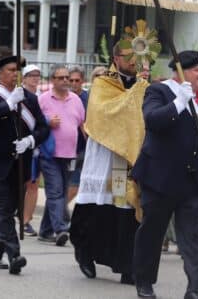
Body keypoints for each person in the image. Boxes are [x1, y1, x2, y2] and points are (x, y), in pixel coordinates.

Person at [132, 50, 198, 299]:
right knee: (152, 233)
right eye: (197, 70)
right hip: (161, 178)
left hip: (194, 181)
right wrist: (178, 103)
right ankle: (144, 281)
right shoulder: (159, 92)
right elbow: (152, 120)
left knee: (195, 237)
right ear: (180, 71)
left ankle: (195, 288)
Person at [70, 44, 145, 285]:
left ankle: (126, 264)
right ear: (116, 58)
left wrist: (143, 88)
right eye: (128, 56)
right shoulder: (103, 83)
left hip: (127, 155)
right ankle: (85, 252)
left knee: (123, 208)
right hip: (105, 152)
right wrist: (138, 91)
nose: (133, 61)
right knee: (96, 204)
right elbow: (105, 113)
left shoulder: (143, 84)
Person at [0, 56, 49, 274]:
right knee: (4, 208)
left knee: (8, 209)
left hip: (19, 163)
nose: (15, 74)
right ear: (0, 72)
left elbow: (43, 128)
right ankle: (14, 254)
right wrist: (8, 103)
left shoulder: (29, 98)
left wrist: (30, 141)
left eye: (17, 70)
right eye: (11, 70)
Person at [37, 64, 85, 245]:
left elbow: (82, 124)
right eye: (61, 78)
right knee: (56, 191)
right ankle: (61, 229)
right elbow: (34, 122)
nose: (65, 80)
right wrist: (48, 121)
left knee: (60, 192)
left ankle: (45, 230)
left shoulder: (75, 99)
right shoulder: (43, 99)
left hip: (69, 154)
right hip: (49, 154)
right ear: (52, 81)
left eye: (67, 77)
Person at [21, 63, 42, 236]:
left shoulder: (42, 97)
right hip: (19, 146)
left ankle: (26, 220)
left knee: (33, 184)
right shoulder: (18, 95)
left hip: (37, 147)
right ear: (24, 78)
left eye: (38, 75)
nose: (35, 78)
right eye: (31, 75)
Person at [67, 65, 88, 203]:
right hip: (69, 148)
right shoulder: (65, 97)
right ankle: (58, 214)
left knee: (79, 186)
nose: (74, 83)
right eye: (71, 80)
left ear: (83, 80)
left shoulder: (89, 98)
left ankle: (58, 214)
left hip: (85, 147)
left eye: (77, 80)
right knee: (71, 185)